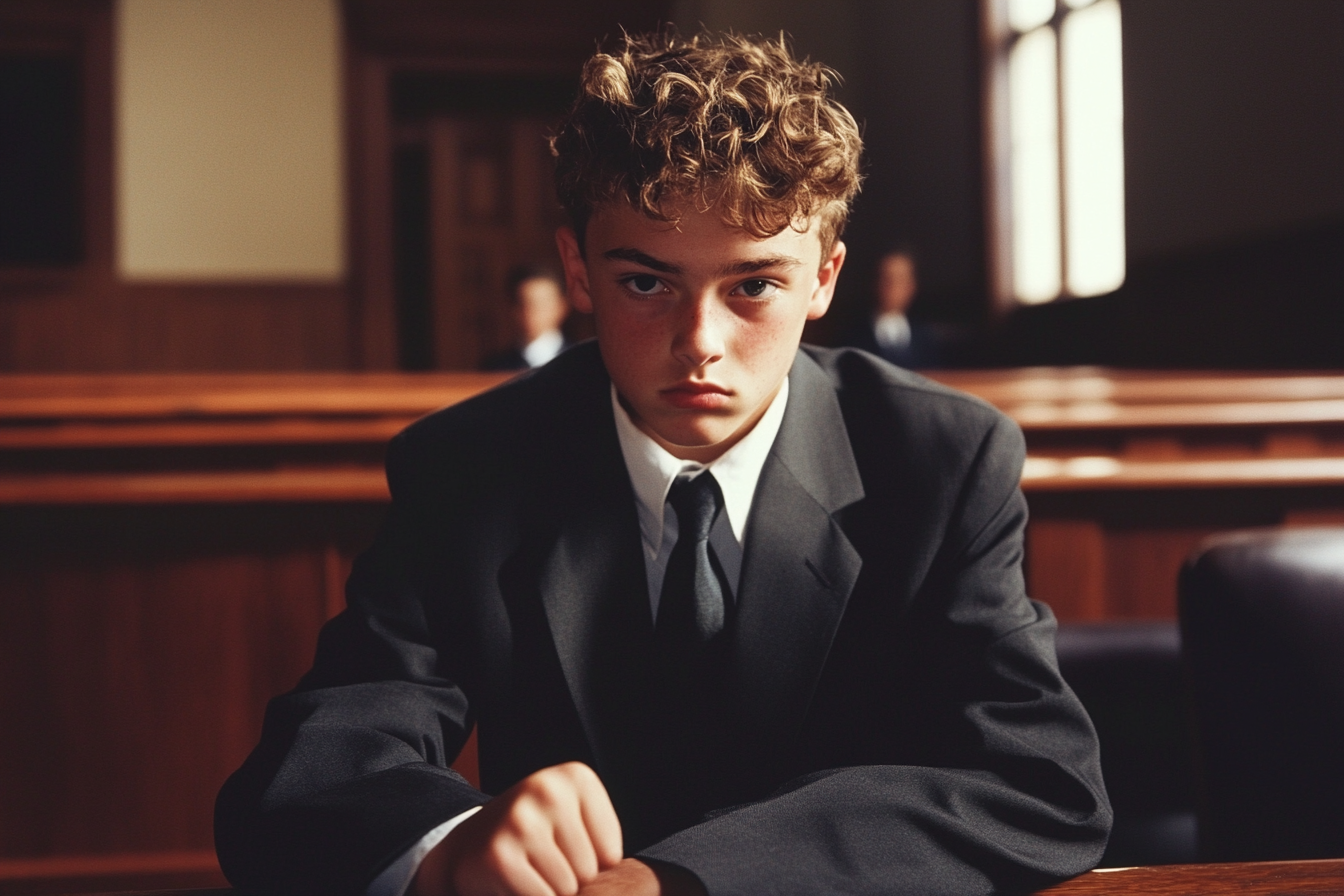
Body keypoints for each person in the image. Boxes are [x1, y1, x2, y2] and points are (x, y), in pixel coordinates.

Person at [215, 31, 1110, 896]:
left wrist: (678, 880)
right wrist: (449, 845)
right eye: (646, 282)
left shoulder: (944, 460)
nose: (700, 345)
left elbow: (1040, 784)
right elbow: (301, 779)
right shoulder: (465, 466)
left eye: (754, 285)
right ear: (578, 270)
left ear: (825, 277)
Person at [840, 246, 944, 368]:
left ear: (912, 286)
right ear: (875, 283)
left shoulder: (925, 337)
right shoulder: (853, 338)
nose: (893, 287)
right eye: (887, 279)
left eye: (901, 279)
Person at [481, 265, 572, 371]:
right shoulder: (495, 366)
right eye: (523, 303)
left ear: (561, 306)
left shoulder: (579, 360)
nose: (530, 312)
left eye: (541, 304)